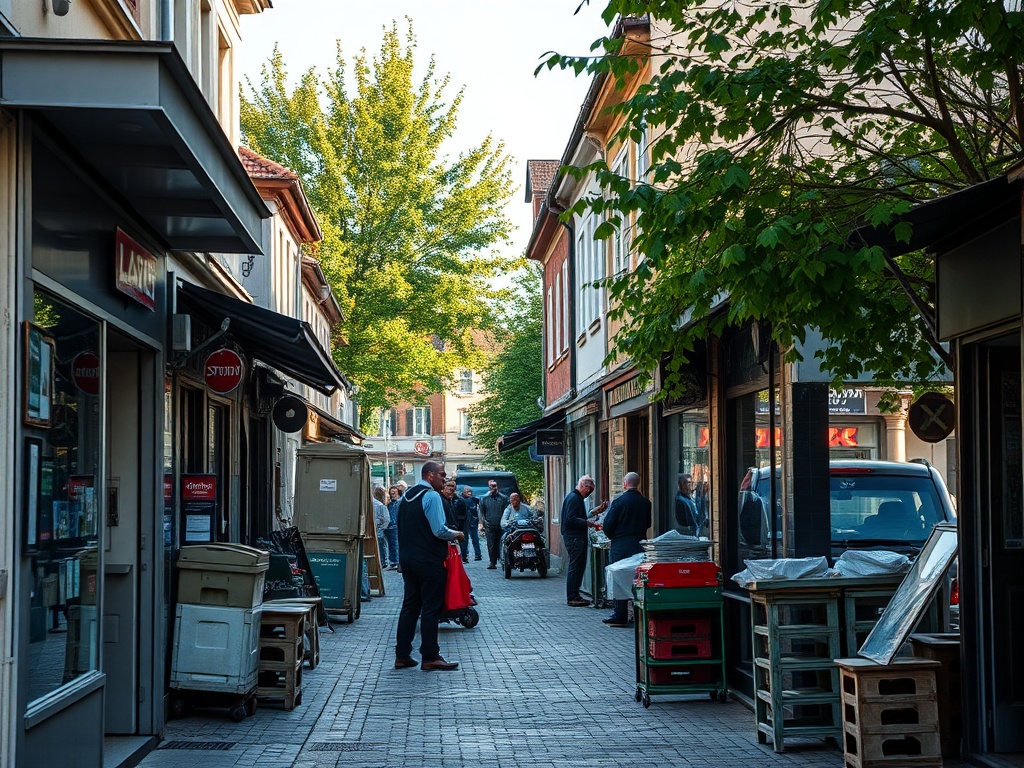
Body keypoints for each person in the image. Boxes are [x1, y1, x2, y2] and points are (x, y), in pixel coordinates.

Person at [394, 461, 464, 671]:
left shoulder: (405, 496)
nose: (445, 480)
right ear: (431, 475)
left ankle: (402, 654)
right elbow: (439, 530)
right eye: (442, 475)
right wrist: (457, 534)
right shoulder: (431, 496)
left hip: (408, 558)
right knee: (431, 608)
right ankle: (430, 656)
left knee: (410, 606)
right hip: (429, 560)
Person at [600, 472, 652, 627]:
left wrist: (612, 536)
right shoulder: (645, 502)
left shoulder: (619, 502)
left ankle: (620, 613)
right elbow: (648, 523)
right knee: (637, 578)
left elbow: (608, 524)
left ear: (624, 483)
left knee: (618, 577)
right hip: (638, 543)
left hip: (620, 545)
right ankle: (638, 612)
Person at [561, 475, 608, 607]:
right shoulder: (574, 498)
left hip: (575, 536)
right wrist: (589, 524)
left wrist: (593, 513)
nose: (589, 493)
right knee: (576, 566)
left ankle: (575, 595)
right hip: (574, 537)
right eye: (589, 490)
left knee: (578, 566)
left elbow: (577, 516)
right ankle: (572, 596)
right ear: (583, 486)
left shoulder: (575, 498)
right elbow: (571, 519)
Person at [479, 480, 509, 569]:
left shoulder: (504, 498)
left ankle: (502, 560)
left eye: (495, 485)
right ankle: (492, 562)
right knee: (491, 544)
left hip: (501, 525)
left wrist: (505, 523)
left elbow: (507, 512)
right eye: (491, 486)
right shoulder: (484, 498)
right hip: (490, 525)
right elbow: (481, 512)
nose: (493, 487)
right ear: (489, 487)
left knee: (501, 543)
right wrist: (484, 523)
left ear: (497, 486)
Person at [456, 486, 482, 561]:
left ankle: (478, 555)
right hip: (464, 522)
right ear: (464, 492)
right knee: (464, 539)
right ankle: (464, 556)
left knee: (475, 539)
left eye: (470, 492)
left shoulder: (474, 500)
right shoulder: (460, 500)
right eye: (467, 492)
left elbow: (480, 508)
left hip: (473, 522)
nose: (469, 493)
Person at [373, 486, 391, 569]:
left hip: (375, 528)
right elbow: (386, 519)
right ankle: (383, 562)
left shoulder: (373, 503)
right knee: (381, 546)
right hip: (379, 528)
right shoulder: (381, 505)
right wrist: (381, 528)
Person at [385, 486, 401, 571]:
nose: (393, 494)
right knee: (391, 544)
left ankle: (395, 561)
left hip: (395, 525)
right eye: (391, 492)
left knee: (394, 544)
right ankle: (394, 561)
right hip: (389, 525)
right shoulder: (390, 503)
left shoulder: (399, 502)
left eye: (394, 492)